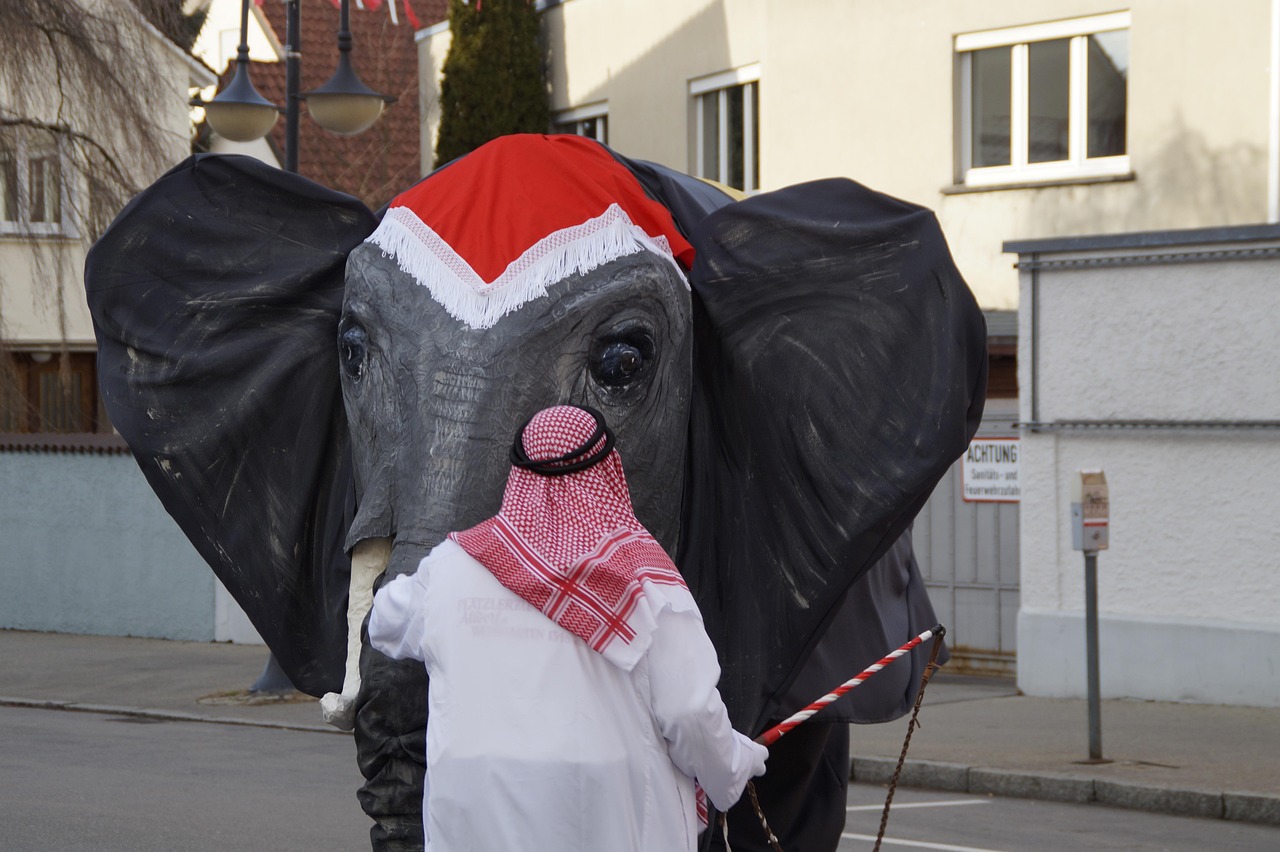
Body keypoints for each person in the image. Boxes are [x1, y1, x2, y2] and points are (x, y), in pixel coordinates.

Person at [368, 404, 768, 851]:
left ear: (517, 473)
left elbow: (384, 620)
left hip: (472, 818)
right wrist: (735, 763)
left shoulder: (450, 567)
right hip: (602, 818)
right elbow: (690, 712)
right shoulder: (644, 579)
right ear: (608, 470)